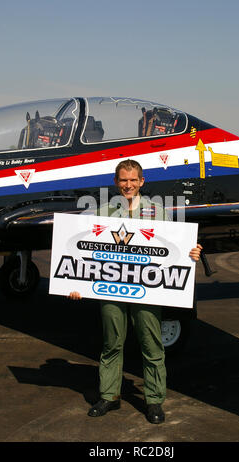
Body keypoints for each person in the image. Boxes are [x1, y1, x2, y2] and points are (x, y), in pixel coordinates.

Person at [70, 159, 202, 424]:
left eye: (133, 180)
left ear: (142, 182)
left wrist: (192, 252)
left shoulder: (157, 211)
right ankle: (109, 395)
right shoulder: (103, 212)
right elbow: (84, 252)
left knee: (151, 344)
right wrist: (76, 284)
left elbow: (173, 247)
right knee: (111, 343)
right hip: (112, 288)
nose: (127, 185)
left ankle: (154, 401)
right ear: (116, 182)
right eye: (123, 180)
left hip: (147, 289)